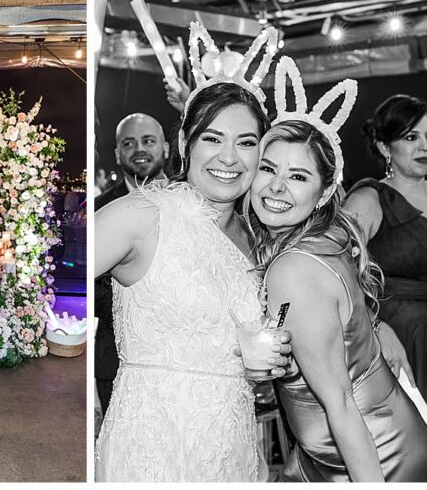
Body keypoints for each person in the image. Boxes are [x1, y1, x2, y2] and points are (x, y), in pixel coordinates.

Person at [95, 25, 292, 482]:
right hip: (151, 445)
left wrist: (273, 363)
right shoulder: (143, 215)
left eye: (246, 142)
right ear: (184, 145)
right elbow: (58, 280)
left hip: (233, 445)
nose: (229, 157)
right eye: (212, 138)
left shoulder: (259, 239)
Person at [247, 59, 427, 481]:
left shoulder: (293, 268)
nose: (276, 187)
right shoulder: (323, 238)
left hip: (371, 460)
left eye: (298, 176)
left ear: (325, 190)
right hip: (361, 444)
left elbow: (340, 404)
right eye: (268, 169)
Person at [344, 94, 427, 400]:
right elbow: (335, 273)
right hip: (402, 342)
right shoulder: (370, 199)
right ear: (384, 146)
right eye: (411, 137)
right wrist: (376, 326)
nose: (424, 146)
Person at [95, 114, 169, 417]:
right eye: (129, 143)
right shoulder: (100, 209)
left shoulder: (195, 201)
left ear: (165, 147)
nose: (139, 149)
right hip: (118, 361)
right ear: (117, 153)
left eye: (148, 141)